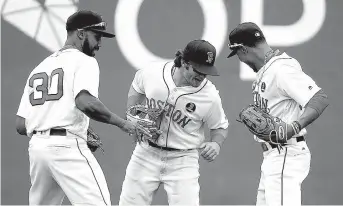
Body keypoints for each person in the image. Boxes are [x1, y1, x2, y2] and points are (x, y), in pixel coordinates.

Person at [15, 10, 150, 206]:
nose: (99, 43)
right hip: (66, 148)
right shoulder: (84, 60)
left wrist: (52, 121)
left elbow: (20, 125)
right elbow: (85, 102)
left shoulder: (40, 68)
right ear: (80, 33)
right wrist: (124, 124)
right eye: (96, 36)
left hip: (38, 151)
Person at [227, 22, 329, 206]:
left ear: (242, 49)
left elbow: (319, 98)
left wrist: (294, 126)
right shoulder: (266, 71)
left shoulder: (281, 69)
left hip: (286, 153)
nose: (240, 59)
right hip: (273, 157)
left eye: (237, 54)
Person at [119, 39, 229, 205]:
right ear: (184, 62)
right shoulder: (154, 72)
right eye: (198, 69)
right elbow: (137, 86)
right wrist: (131, 114)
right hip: (146, 153)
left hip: (183, 160)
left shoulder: (209, 95)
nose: (201, 76)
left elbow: (220, 126)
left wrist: (216, 144)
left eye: (206, 72)